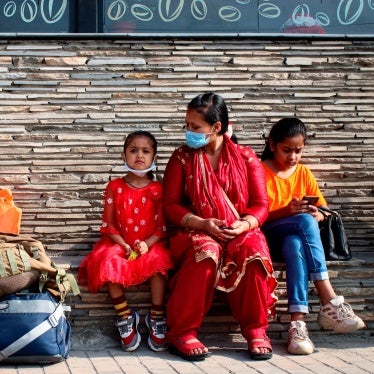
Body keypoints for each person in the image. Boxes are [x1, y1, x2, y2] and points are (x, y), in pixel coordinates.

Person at [162, 92, 277, 362]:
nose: (188, 131)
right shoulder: (181, 158)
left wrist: (244, 224)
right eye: (187, 125)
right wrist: (202, 223)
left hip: (238, 228)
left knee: (253, 250)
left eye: (195, 127)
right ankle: (183, 332)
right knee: (206, 251)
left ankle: (256, 330)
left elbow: (261, 205)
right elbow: (170, 205)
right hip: (196, 229)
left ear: (216, 128)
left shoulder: (246, 158)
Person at [260, 118, 365, 355]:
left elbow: (322, 211)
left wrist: (317, 213)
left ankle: (297, 324)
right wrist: (288, 211)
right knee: (302, 222)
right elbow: (253, 215)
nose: (293, 157)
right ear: (273, 144)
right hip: (266, 235)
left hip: (293, 239)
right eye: (287, 150)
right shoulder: (259, 170)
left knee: (296, 243)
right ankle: (328, 296)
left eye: (298, 151)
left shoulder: (304, 172)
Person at [78, 130, 173, 353]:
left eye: (145, 151)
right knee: (108, 262)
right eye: (133, 150)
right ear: (123, 156)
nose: (139, 155)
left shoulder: (158, 190)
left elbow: (162, 227)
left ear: (154, 158)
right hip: (120, 243)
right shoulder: (114, 187)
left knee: (159, 262)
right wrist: (122, 244)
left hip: (150, 243)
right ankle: (124, 315)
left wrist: (147, 244)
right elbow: (109, 225)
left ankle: (156, 316)